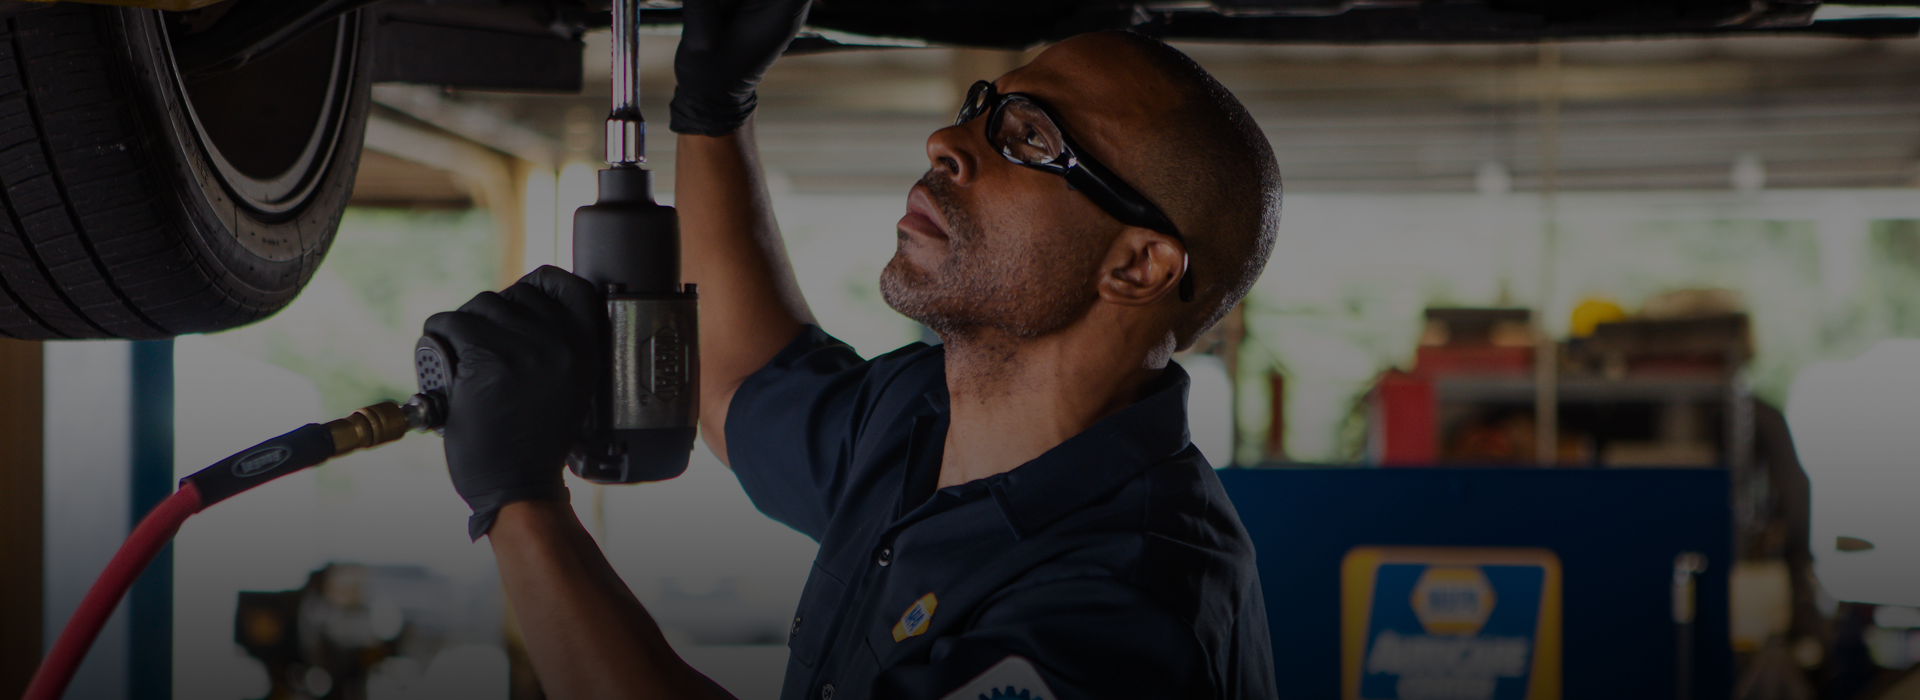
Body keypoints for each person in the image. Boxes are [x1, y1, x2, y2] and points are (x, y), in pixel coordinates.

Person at [421, 0, 1283, 696]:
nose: (948, 143)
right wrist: (712, 108)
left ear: (1137, 264)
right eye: (982, 107)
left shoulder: (1123, 606)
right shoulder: (922, 416)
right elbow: (738, 384)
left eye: (1029, 138)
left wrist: (520, 503)